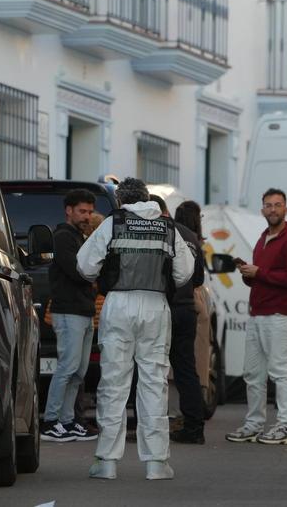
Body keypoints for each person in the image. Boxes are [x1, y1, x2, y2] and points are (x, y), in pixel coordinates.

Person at [77, 178, 195, 481]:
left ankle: (106, 461)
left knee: (113, 384)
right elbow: (184, 273)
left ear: (121, 201)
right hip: (156, 306)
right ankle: (157, 463)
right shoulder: (168, 227)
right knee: (154, 382)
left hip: (118, 305)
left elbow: (85, 266)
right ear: (147, 198)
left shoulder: (113, 223)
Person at [226, 188, 287, 446]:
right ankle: (254, 425)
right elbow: (264, 279)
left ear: (286, 209)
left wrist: (259, 273)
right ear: (262, 209)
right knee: (253, 374)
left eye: (277, 205)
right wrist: (248, 274)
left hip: (281, 315)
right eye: (268, 205)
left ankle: (286, 427)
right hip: (258, 314)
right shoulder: (263, 239)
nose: (273, 209)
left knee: (281, 371)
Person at [41, 189, 101, 443]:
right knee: (67, 368)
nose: (87, 216)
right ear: (69, 210)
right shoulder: (63, 237)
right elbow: (79, 271)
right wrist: (95, 274)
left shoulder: (79, 237)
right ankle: (50, 421)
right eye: (82, 211)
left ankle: (67, 421)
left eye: (89, 212)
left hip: (84, 311)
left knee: (78, 371)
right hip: (68, 312)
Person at [152, 198, 208, 445]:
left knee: (151, 368)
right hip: (186, 308)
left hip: (162, 307)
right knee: (186, 369)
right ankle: (194, 426)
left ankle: (149, 425)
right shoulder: (190, 235)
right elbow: (198, 279)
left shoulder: (157, 232)